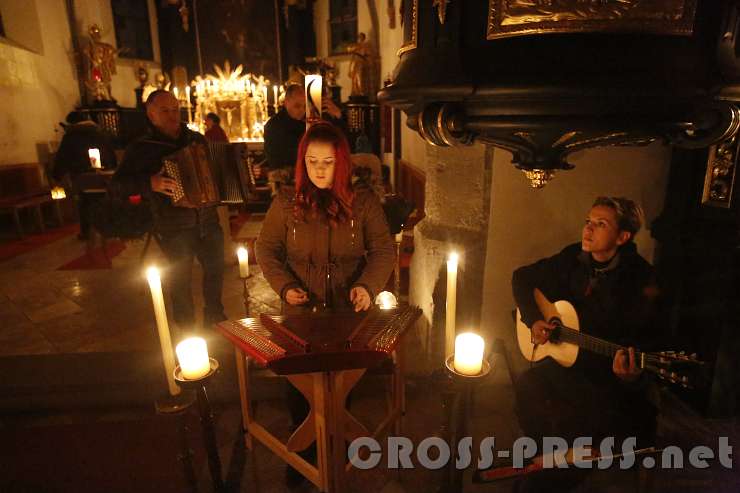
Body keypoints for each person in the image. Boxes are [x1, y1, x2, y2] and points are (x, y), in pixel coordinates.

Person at [256, 121, 395, 486]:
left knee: (343, 384)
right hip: (300, 313)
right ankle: (303, 451)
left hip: (346, 311)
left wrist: (366, 286)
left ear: (341, 163)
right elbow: (266, 249)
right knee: (299, 386)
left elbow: (383, 250)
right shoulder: (287, 202)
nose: (319, 170)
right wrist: (285, 287)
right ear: (303, 162)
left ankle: (339, 441)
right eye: (312, 161)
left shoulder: (362, 201)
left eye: (328, 162)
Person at [510, 196, 663, 491]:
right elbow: (522, 277)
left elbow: (650, 340)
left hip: (605, 378)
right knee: (528, 385)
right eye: (588, 221)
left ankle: (552, 473)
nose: (588, 230)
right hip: (569, 364)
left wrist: (631, 377)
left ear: (622, 237)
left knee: (580, 421)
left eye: (600, 224)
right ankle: (547, 455)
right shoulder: (574, 257)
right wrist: (534, 319)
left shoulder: (641, 279)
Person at [112, 90, 225, 329]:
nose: (172, 115)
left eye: (175, 109)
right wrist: (149, 183)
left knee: (215, 270)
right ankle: (186, 327)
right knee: (180, 278)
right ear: (151, 115)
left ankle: (215, 317)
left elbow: (217, 171)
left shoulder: (196, 139)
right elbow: (117, 186)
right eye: (164, 110)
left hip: (208, 220)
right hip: (173, 226)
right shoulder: (141, 148)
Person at [262, 83, 344, 193]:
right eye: (297, 106)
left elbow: (339, 141)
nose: (302, 110)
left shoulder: (311, 120)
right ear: (286, 102)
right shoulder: (274, 126)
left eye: (305, 106)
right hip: (288, 180)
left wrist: (338, 116)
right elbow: (280, 160)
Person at [52, 112, 117, 240]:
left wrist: (56, 175)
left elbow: (62, 158)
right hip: (105, 176)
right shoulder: (100, 134)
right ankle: (109, 230)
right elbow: (111, 154)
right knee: (105, 201)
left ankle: (87, 232)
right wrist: (113, 170)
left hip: (83, 177)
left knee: (85, 204)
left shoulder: (71, 136)